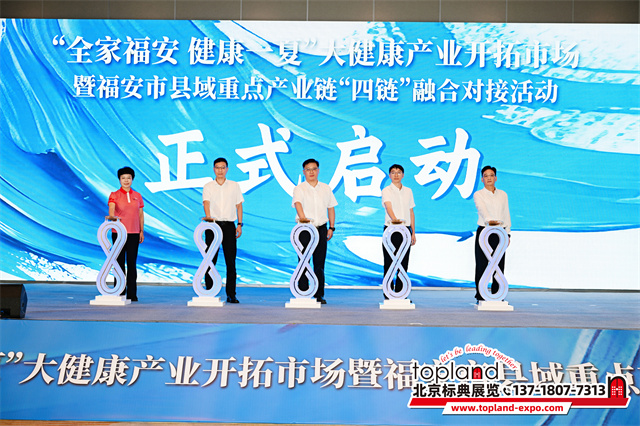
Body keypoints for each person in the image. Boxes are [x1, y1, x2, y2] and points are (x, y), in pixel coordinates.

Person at [292, 158, 337, 304]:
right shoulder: (299, 188)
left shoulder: (326, 188)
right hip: (304, 229)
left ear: (318, 170)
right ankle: (303, 292)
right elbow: (297, 203)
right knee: (303, 261)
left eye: (314, 169)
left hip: (321, 228)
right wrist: (303, 219)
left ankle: (319, 294)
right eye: (308, 169)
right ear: (304, 171)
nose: (311, 172)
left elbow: (331, 208)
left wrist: (331, 227)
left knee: (319, 263)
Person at [202, 157, 244, 303]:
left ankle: (231, 294)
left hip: (229, 225)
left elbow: (239, 205)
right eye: (217, 167)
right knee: (210, 259)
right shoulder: (208, 186)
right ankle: (209, 291)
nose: (220, 170)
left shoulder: (234, 185)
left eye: (223, 167)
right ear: (214, 169)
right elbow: (206, 203)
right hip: (213, 225)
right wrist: (209, 219)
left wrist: (239, 224)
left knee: (230, 260)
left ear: (227, 169)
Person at [473, 165, 511, 302]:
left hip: (500, 232)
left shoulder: (503, 194)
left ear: (495, 178)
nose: (489, 178)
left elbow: (506, 213)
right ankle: (481, 295)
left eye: (491, 175)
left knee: (499, 264)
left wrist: (507, 233)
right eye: (486, 176)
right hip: (485, 231)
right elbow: (481, 209)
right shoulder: (478, 194)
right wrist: (490, 221)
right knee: (482, 263)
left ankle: (497, 294)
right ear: (482, 179)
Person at [107, 166, 144, 302]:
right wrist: (112, 217)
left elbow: (140, 214)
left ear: (132, 179)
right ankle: (119, 291)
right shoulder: (114, 195)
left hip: (134, 233)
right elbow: (111, 209)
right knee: (119, 263)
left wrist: (141, 231)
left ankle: (132, 294)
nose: (126, 180)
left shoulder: (137, 196)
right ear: (119, 180)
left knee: (132, 263)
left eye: (129, 178)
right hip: (119, 233)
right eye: (123, 178)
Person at [381, 164, 417, 298]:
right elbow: (388, 207)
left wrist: (413, 232)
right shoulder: (386, 190)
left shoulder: (408, 191)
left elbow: (411, 212)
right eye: (393, 172)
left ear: (403, 175)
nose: (396, 175)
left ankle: (401, 293)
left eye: (398, 172)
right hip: (391, 229)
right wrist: (396, 221)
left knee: (403, 262)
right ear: (389, 175)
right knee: (389, 261)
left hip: (406, 230)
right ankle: (388, 292)